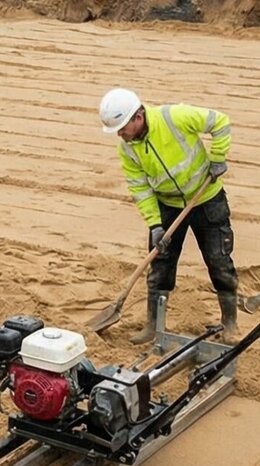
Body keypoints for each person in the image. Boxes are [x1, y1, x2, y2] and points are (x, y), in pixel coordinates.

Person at [97, 88, 237, 341]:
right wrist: (155, 225)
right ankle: (154, 326)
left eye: (121, 127)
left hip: (206, 199)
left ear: (137, 117)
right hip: (168, 207)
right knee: (160, 266)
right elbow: (140, 188)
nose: (119, 134)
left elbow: (220, 121)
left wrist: (218, 158)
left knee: (220, 262)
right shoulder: (127, 148)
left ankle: (230, 324)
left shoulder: (175, 116)